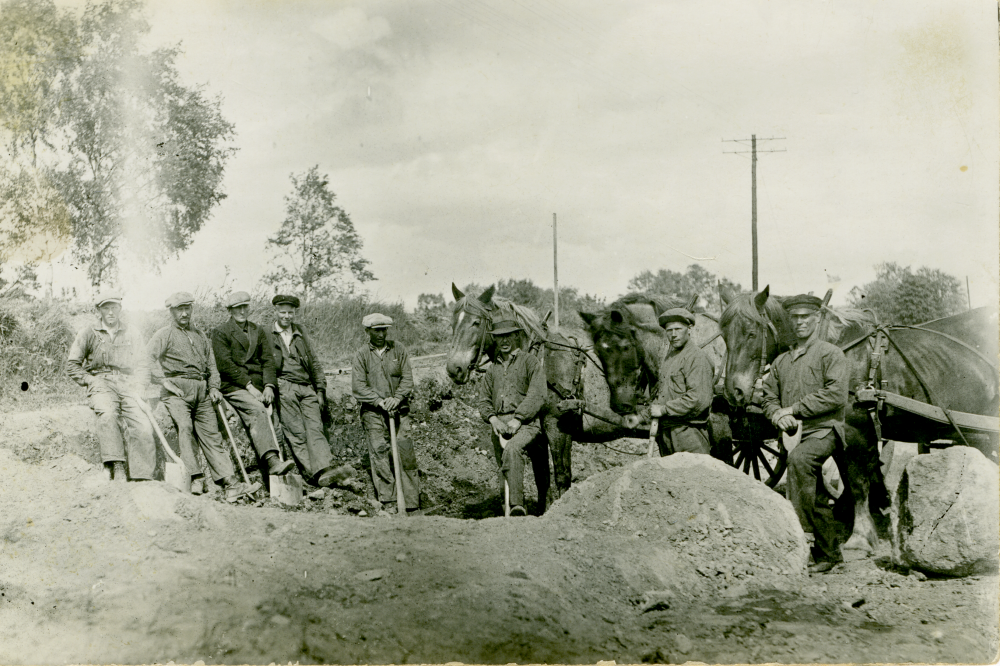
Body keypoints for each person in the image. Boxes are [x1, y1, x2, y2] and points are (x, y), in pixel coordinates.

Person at [761, 293, 849, 574]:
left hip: (826, 430)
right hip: (794, 433)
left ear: (817, 319)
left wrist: (794, 410)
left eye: (805, 318)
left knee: (799, 462)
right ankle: (829, 551)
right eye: (795, 318)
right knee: (813, 489)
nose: (799, 323)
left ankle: (807, 539)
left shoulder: (830, 354)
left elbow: (836, 395)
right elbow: (768, 396)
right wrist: (776, 414)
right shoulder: (781, 362)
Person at [148, 292, 259, 501]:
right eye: (179, 309)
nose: (184, 313)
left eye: (187, 308)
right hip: (177, 390)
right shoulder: (164, 334)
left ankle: (231, 484)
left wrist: (215, 387)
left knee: (212, 434)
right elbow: (147, 358)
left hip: (202, 388)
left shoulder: (199, 335)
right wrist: (163, 381)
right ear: (172, 312)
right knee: (185, 427)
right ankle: (196, 476)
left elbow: (211, 365)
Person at [67, 291, 156, 482]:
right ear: (99, 310)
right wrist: (90, 381)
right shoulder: (88, 333)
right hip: (101, 382)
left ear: (120, 309)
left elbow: (142, 364)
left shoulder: (132, 332)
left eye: (114, 307)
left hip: (129, 383)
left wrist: (140, 387)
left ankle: (143, 477)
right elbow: (72, 365)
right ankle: (117, 465)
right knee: (107, 414)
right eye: (106, 308)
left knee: (143, 424)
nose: (110, 312)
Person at [211, 291, 295, 481]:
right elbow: (225, 365)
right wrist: (249, 387)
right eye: (237, 308)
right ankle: (272, 462)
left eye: (245, 306)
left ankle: (277, 477)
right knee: (257, 410)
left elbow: (267, 360)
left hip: (259, 385)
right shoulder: (221, 332)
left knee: (276, 421)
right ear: (230, 311)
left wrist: (268, 386)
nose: (242, 311)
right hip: (235, 386)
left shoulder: (258, 330)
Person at [267, 294, 346, 488]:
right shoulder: (267, 334)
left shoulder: (300, 331)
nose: (286, 316)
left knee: (315, 429)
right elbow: (265, 364)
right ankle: (314, 475)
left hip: (306, 386)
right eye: (282, 312)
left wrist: (320, 389)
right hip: (284, 386)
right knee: (296, 432)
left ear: (295, 313)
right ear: (276, 312)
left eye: (290, 313)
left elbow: (314, 360)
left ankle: (326, 469)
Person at [475, 319, 546, 517]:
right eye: (500, 337)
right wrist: (493, 420)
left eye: (508, 336)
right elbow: (483, 400)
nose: (504, 341)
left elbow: (538, 394)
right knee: (502, 466)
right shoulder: (492, 369)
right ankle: (504, 510)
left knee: (513, 450)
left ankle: (517, 506)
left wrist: (518, 419)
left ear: (515, 336)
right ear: (495, 339)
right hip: (499, 424)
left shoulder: (529, 361)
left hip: (527, 424)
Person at [352, 313, 420, 514]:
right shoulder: (361, 355)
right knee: (379, 453)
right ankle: (389, 501)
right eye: (376, 330)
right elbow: (358, 387)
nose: (381, 334)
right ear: (367, 331)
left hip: (400, 410)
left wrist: (397, 398)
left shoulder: (399, 349)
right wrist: (380, 401)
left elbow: (407, 379)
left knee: (405, 454)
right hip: (373, 412)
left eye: (384, 330)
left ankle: (411, 502)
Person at [649, 307, 714, 456]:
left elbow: (698, 400)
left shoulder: (697, 358)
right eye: (669, 330)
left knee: (693, 477)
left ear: (689, 329)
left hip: (688, 433)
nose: (673, 334)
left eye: (678, 329)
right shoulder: (670, 358)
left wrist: (663, 410)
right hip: (667, 432)